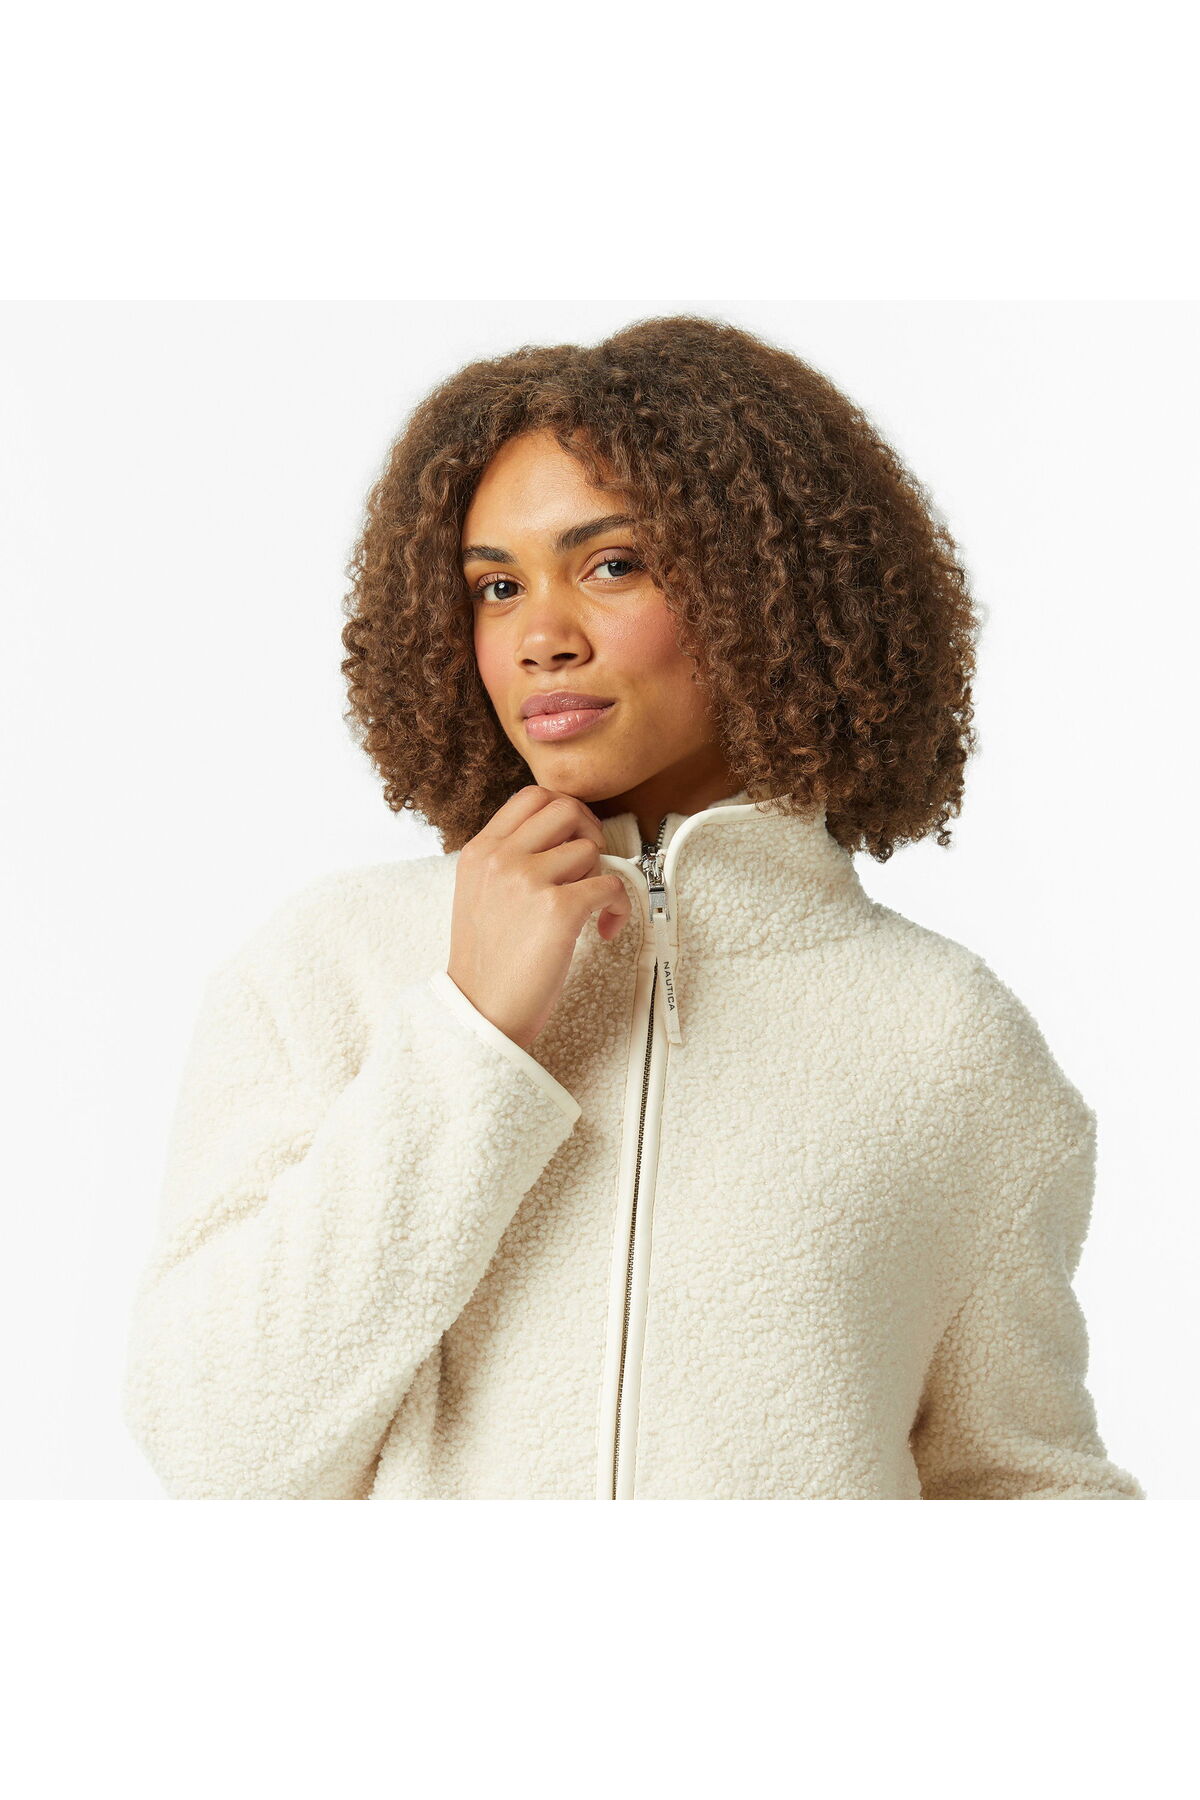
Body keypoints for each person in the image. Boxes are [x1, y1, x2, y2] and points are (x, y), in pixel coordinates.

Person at [121, 313, 1145, 1501]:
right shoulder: (330, 968)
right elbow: (215, 1445)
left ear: (769, 588)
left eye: (612, 565)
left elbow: (1020, 1483)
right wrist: (469, 1033)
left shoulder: (948, 1041)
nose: (540, 637)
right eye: (496, 586)